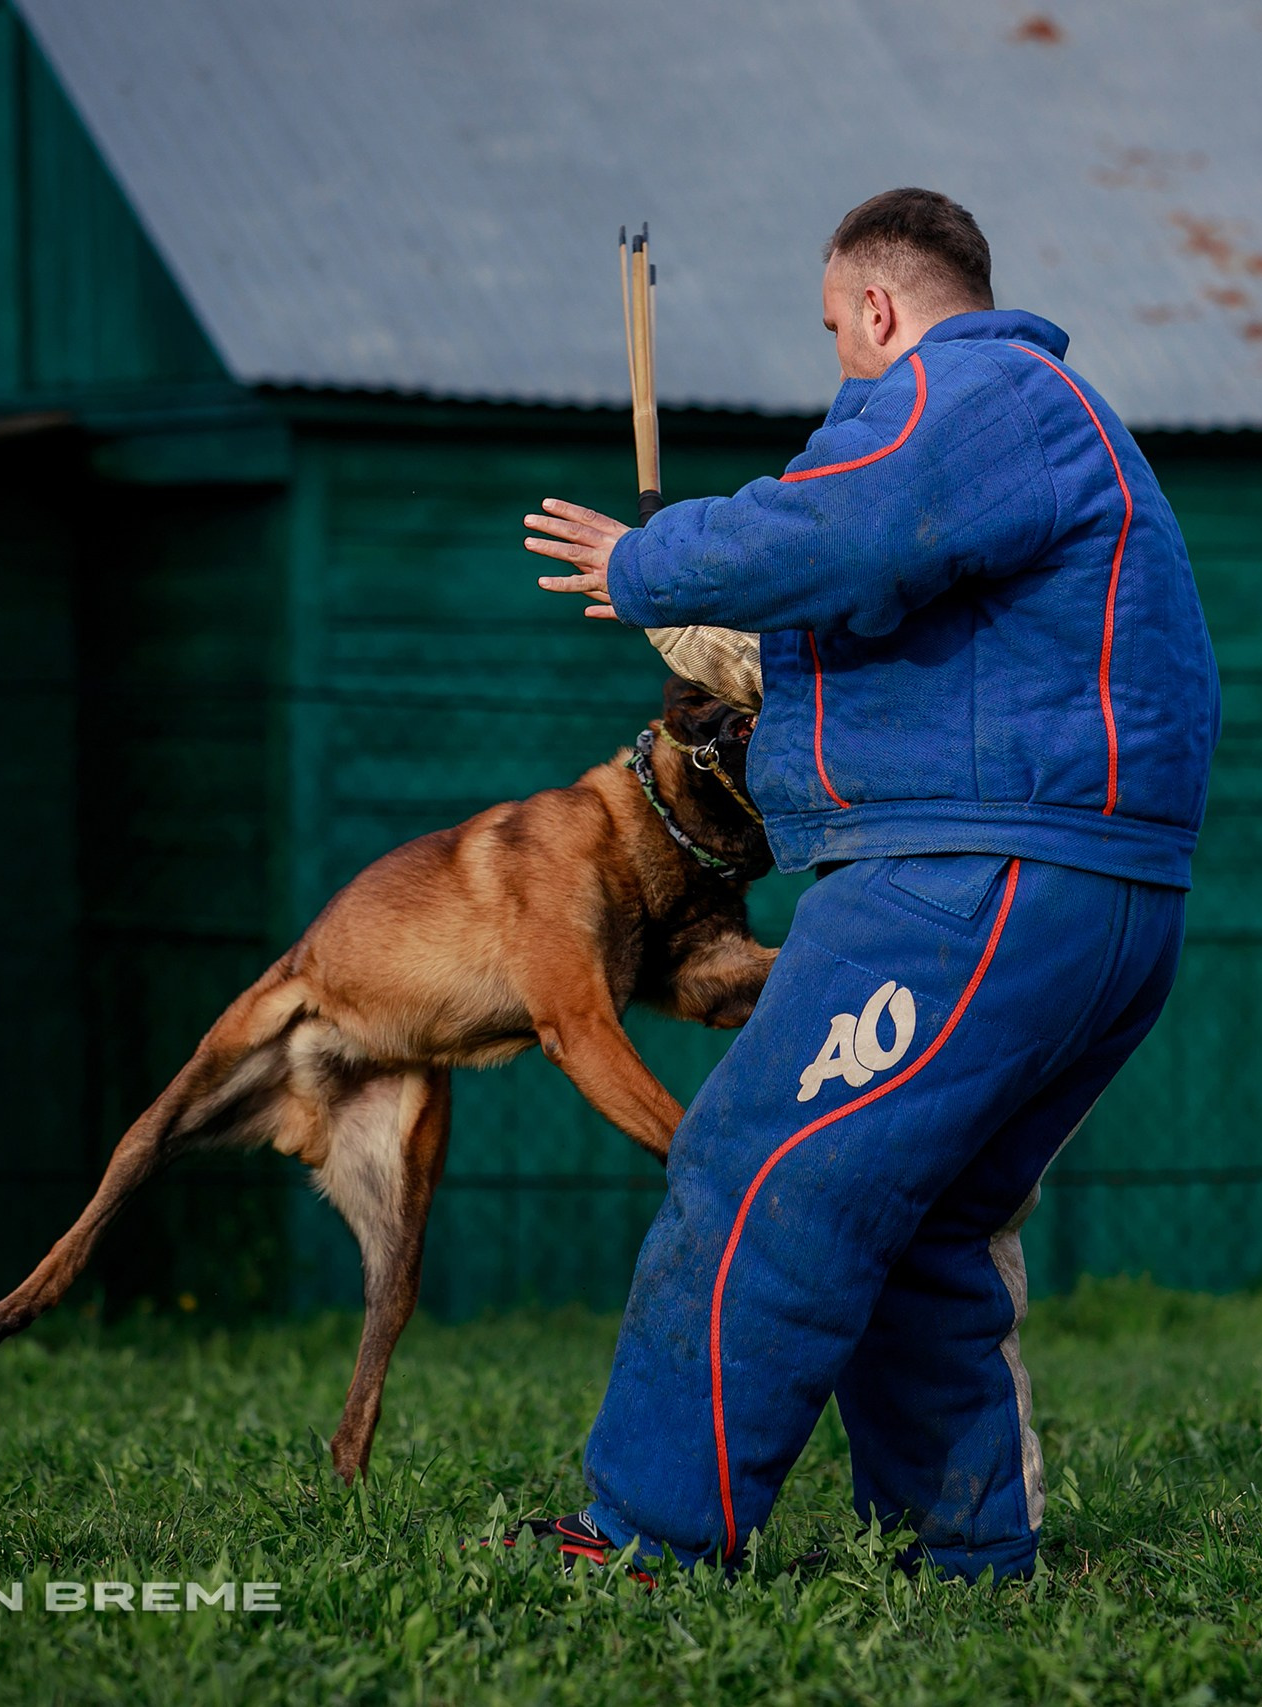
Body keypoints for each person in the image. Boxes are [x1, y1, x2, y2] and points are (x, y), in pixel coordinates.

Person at [522, 188, 1219, 1581]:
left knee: (757, 1171)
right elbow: (895, 611)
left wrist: (652, 562)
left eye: (836, 329)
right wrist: (738, 654)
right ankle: (965, 1562)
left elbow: (841, 527)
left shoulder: (969, 390)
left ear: (880, 308)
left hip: (973, 885)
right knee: (921, 1228)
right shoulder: (1046, 427)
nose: (839, 361)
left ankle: (645, 1539)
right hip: (1089, 896)